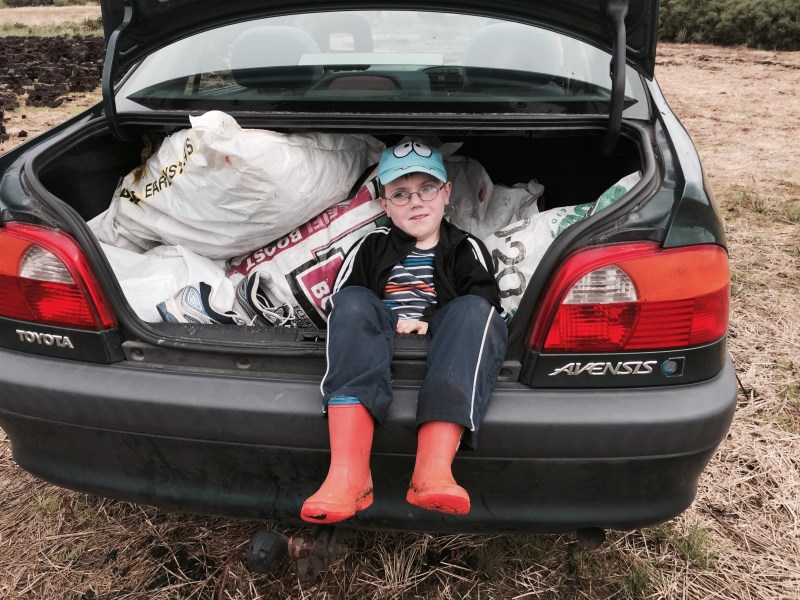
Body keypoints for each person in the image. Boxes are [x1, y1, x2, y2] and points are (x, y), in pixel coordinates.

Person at [300, 140, 508, 523]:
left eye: (427, 188)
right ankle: (348, 475)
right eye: (400, 193)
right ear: (384, 204)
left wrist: (428, 323)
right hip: (378, 338)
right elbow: (343, 300)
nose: (416, 202)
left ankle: (432, 471)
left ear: (446, 193)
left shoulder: (465, 247)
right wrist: (388, 321)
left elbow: (489, 303)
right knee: (352, 304)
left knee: (474, 312)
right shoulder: (371, 245)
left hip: (442, 341)